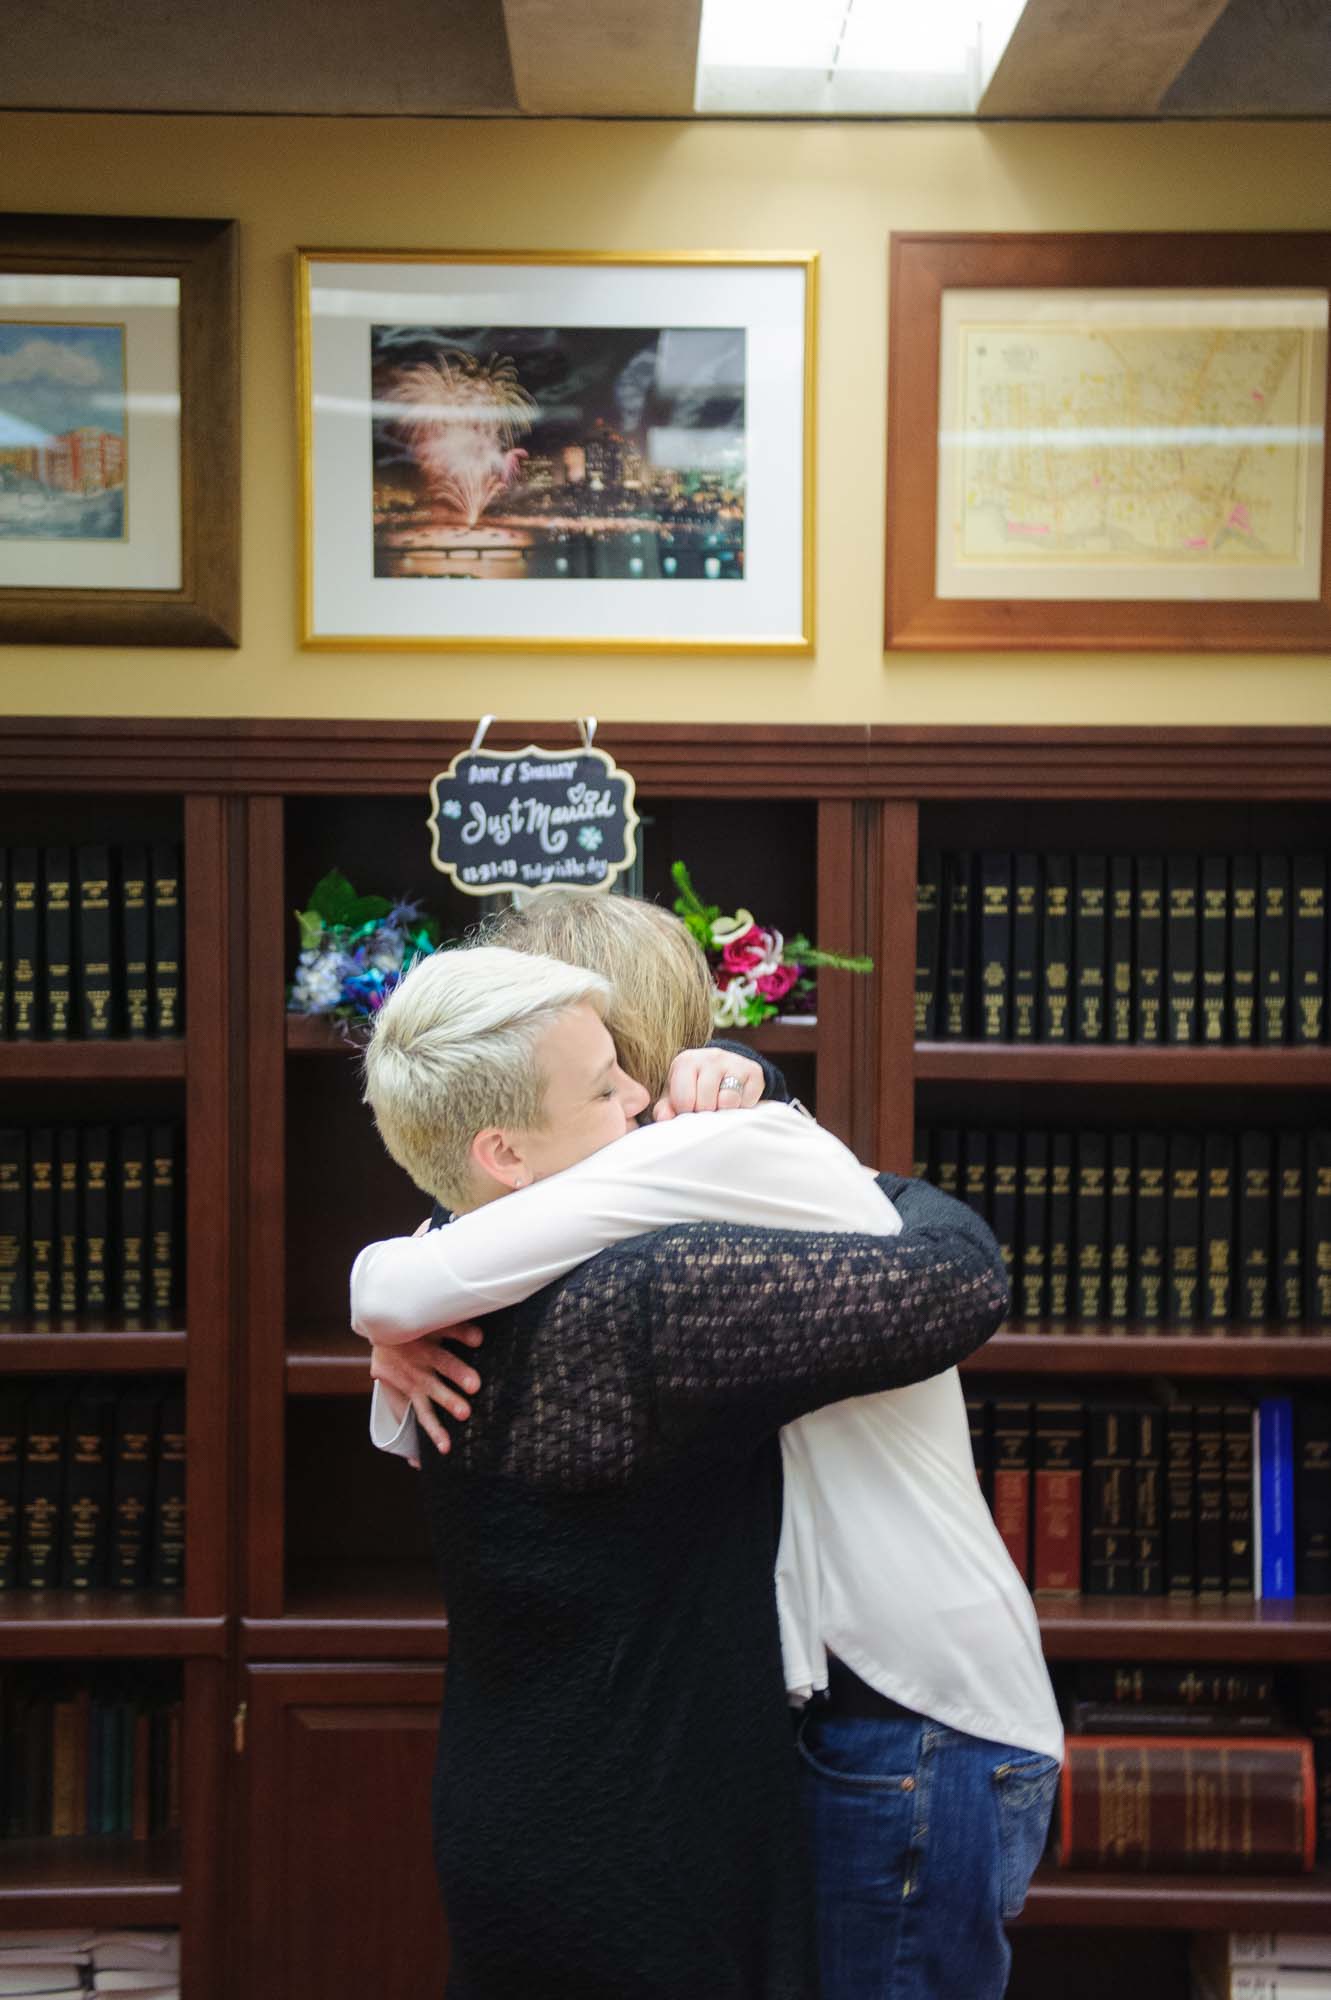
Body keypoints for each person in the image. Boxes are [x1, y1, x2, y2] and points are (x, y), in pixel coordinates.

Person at [355, 895, 1061, 2000]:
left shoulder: (705, 1164)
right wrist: (395, 1297)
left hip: (903, 1710)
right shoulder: (624, 1207)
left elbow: (961, 1278)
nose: (627, 1096)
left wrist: (387, 1291)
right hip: (825, 1716)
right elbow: (466, 1236)